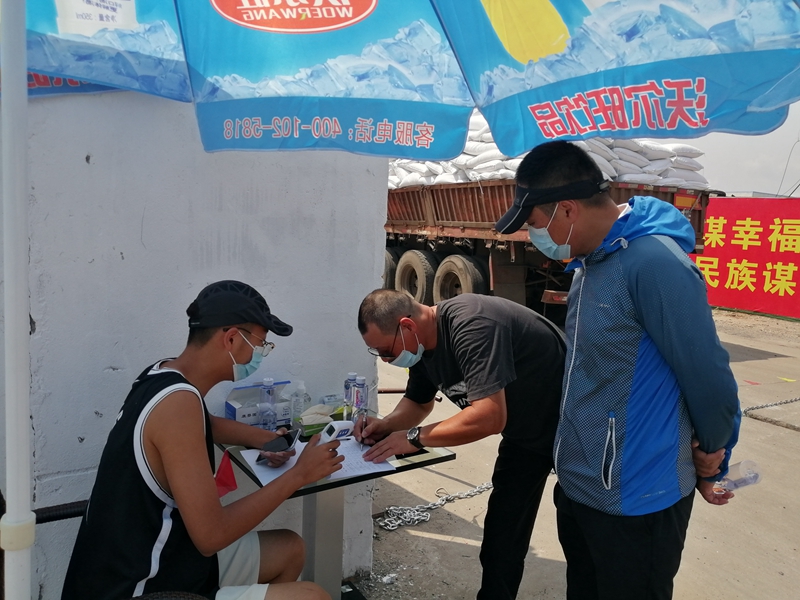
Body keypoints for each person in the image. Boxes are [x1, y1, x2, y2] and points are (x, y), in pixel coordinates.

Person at [494, 140, 741, 600]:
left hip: (637, 499)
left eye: (534, 223)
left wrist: (714, 455)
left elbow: (707, 375)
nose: (533, 236)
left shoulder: (654, 264)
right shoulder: (590, 264)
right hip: (583, 489)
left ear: (567, 209)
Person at [62, 280, 344, 600]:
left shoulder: (163, 375)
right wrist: (299, 475)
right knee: (313, 595)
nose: (261, 354)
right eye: (262, 344)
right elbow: (211, 536)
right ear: (232, 339)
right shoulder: (178, 405)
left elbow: (205, 423)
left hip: (169, 556)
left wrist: (265, 439)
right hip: (142, 587)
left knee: (290, 549)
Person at [356, 289, 566, 600]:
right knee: (502, 535)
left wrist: (414, 438)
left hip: (574, 427)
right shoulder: (421, 345)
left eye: (386, 350)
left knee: (583, 534)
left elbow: (489, 417)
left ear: (407, 326)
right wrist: (385, 426)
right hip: (526, 435)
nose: (386, 359)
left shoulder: (473, 324)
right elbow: (418, 402)